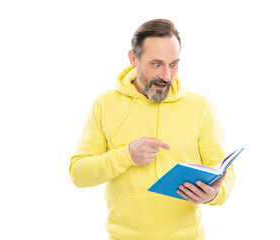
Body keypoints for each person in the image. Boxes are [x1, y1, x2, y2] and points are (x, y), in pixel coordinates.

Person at [69, 19, 235, 240]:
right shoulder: (105, 104)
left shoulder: (200, 106)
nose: (166, 76)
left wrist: (215, 194)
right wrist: (126, 155)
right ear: (133, 59)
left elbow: (224, 171)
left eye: (173, 64)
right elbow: (79, 174)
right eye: (156, 64)